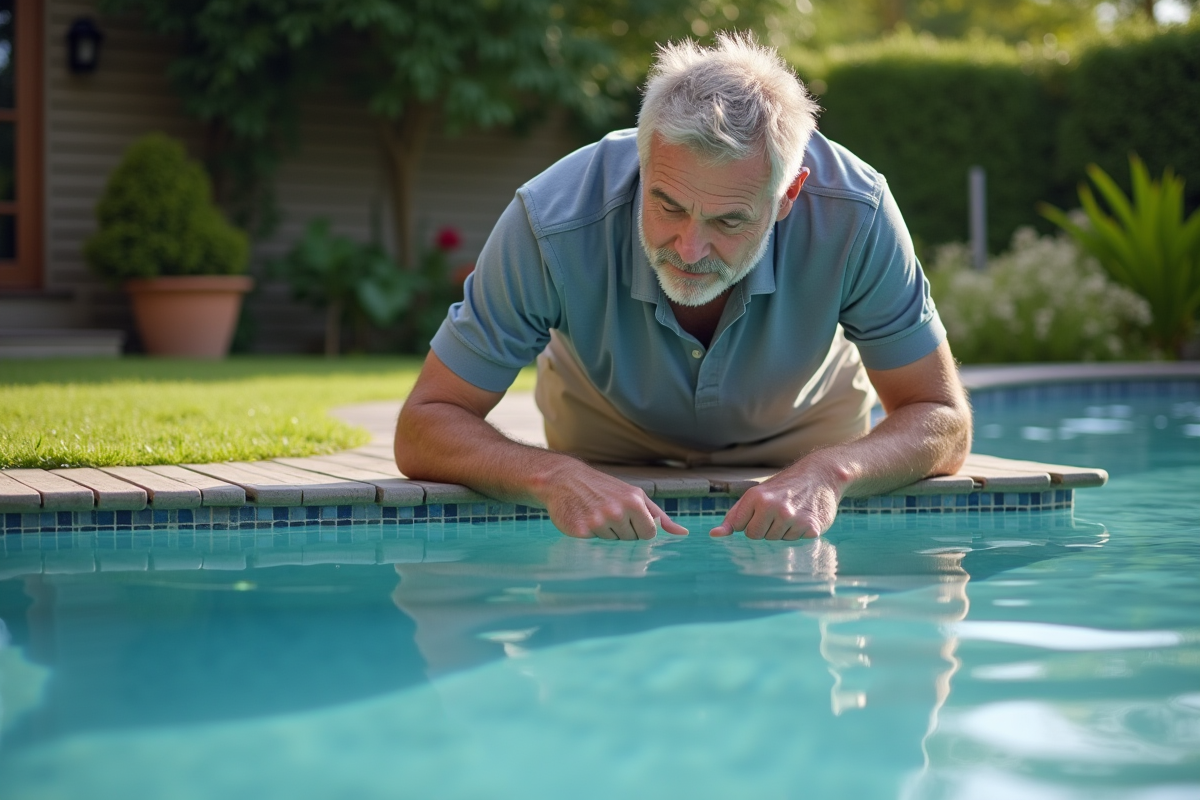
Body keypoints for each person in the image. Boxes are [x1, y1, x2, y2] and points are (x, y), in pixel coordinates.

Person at [395, 32, 972, 542]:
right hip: (600, 443)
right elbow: (426, 424)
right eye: (667, 205)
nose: (689, 248)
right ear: (644, 164)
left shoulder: (857, 214)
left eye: (729, 221)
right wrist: (555, 475)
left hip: (805, 436)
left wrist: (831, 473)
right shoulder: (550, 221)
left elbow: (941, 416)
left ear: (788, 196)